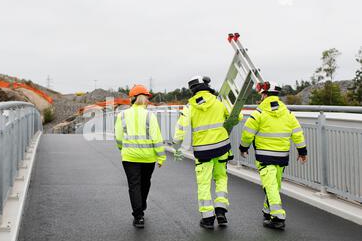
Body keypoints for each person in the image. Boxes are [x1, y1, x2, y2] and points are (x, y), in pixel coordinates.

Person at [239, 81, 307, 230]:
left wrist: (243, 147)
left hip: (264, 157)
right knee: (274, 185)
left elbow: (247, 132)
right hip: (282, 156)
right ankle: (267, 211)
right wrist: (302, 151)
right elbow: (297, 133)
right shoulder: (288, 113)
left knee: (270, 185)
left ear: (264, 94)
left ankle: (277, 217)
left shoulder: (259, 113)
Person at [173, 76, 236, 229]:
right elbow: (237, 116)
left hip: (203, 151)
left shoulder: (189, 107)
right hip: (222, 148)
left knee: (204, 183)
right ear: (207, 86)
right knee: (221, 177)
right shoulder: (219, 102)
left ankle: (208, 218)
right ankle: (221, 211)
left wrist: (177, 147)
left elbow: (180, 131)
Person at [115, 84, 166, 228]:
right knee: (145, 183)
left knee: (134, 185)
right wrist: (161, 157)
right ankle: (142, 205)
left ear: (132, 98)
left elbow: (118, 137)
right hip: (148, 157)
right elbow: (156, 137)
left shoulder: (122, 115)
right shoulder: (150, 116)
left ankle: (138, 216)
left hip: (129, 157)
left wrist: (122, 149)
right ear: (145, 99)